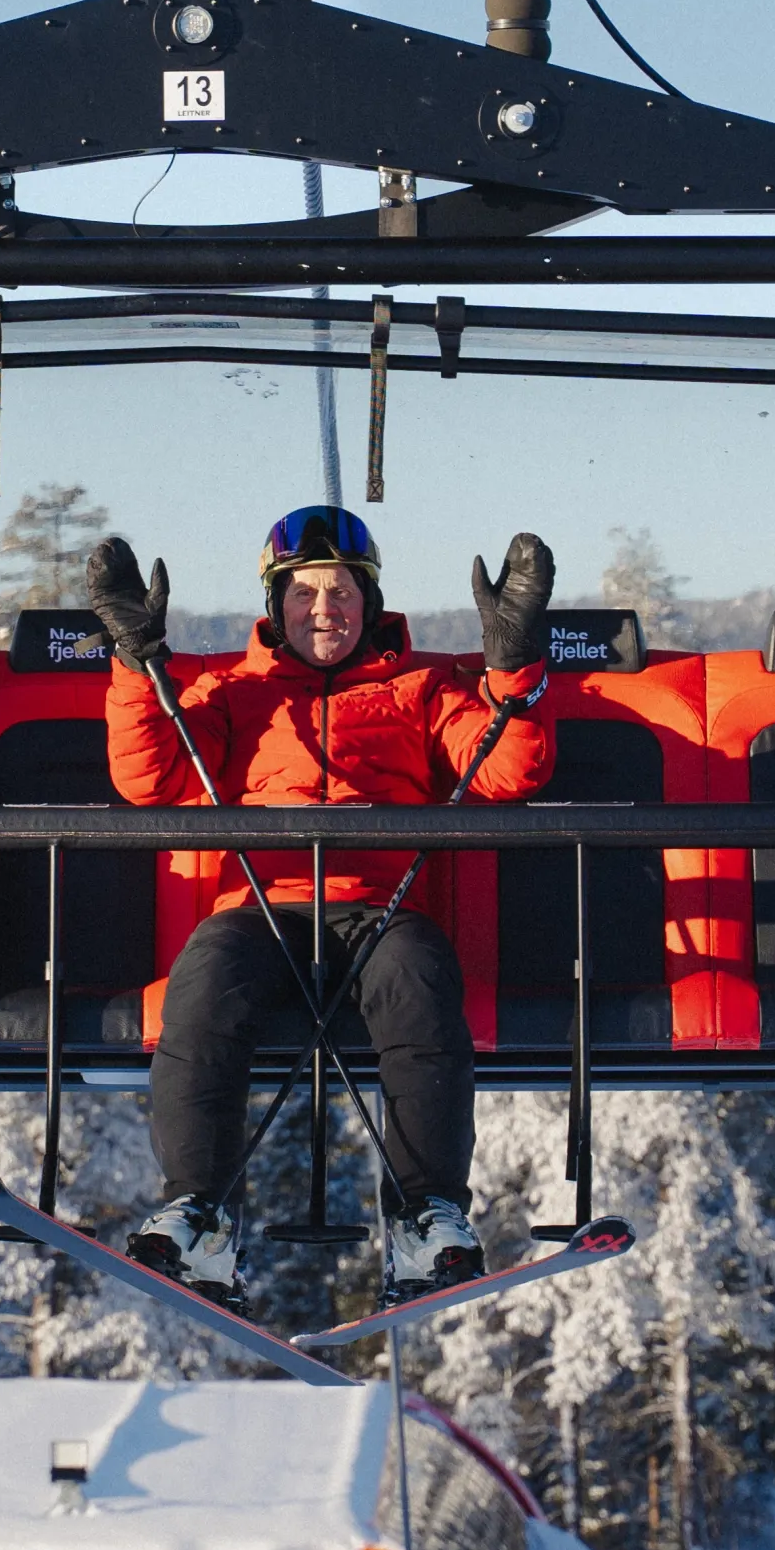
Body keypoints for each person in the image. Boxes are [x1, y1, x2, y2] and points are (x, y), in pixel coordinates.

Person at [85, 506, 554, 1310]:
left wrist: (511, 665)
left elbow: (511, 769)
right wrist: (136, 663)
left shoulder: (419, 689)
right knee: (207, 975)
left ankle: (427, 1213)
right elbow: (149, 777)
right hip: (267, 908)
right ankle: (199, 1206)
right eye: (303, 593)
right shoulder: (236, 690)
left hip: (378, 904)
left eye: (340, 591)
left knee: (418, 974)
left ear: (368, 601)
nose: (323, 610)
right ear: (276, 605)